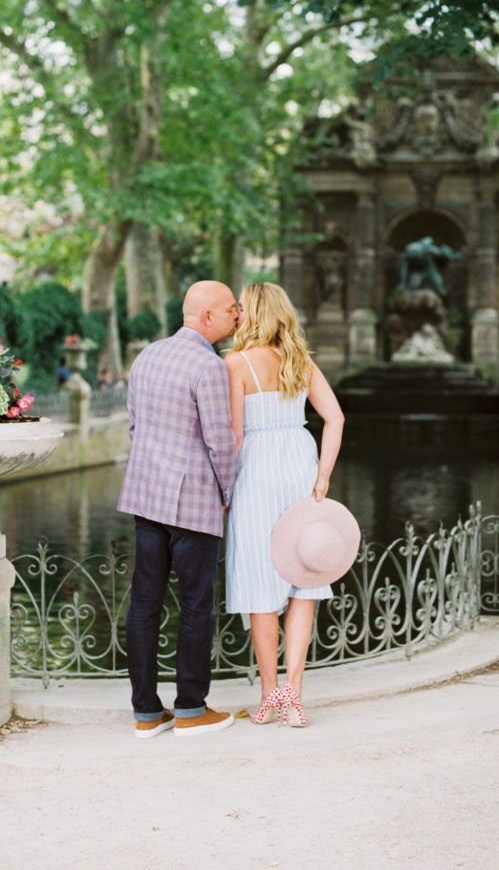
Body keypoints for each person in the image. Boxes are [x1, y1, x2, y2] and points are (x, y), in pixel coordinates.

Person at [117, 280, 238, 739]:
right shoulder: (209, 366)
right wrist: (227, 493)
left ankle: (146, 713)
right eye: (231, 309)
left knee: (145, 604)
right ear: (207, 317)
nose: (237, 316)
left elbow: (133, 425)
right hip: (193, 503)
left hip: (146, 497)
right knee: (196, 605)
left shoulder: (147, 355)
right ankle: (191, 707)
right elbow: (220, 442)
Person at [225, 283, 345, 727]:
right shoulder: (300, 361)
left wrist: (223, 492)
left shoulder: (235, 364)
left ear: (252, 314)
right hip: (298, 463)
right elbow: (335, 417)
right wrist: (323, 475)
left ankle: (269, 695)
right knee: (303, 581)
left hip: (256, 471)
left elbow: (235, 437)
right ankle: (295, 698)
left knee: (261, 586)